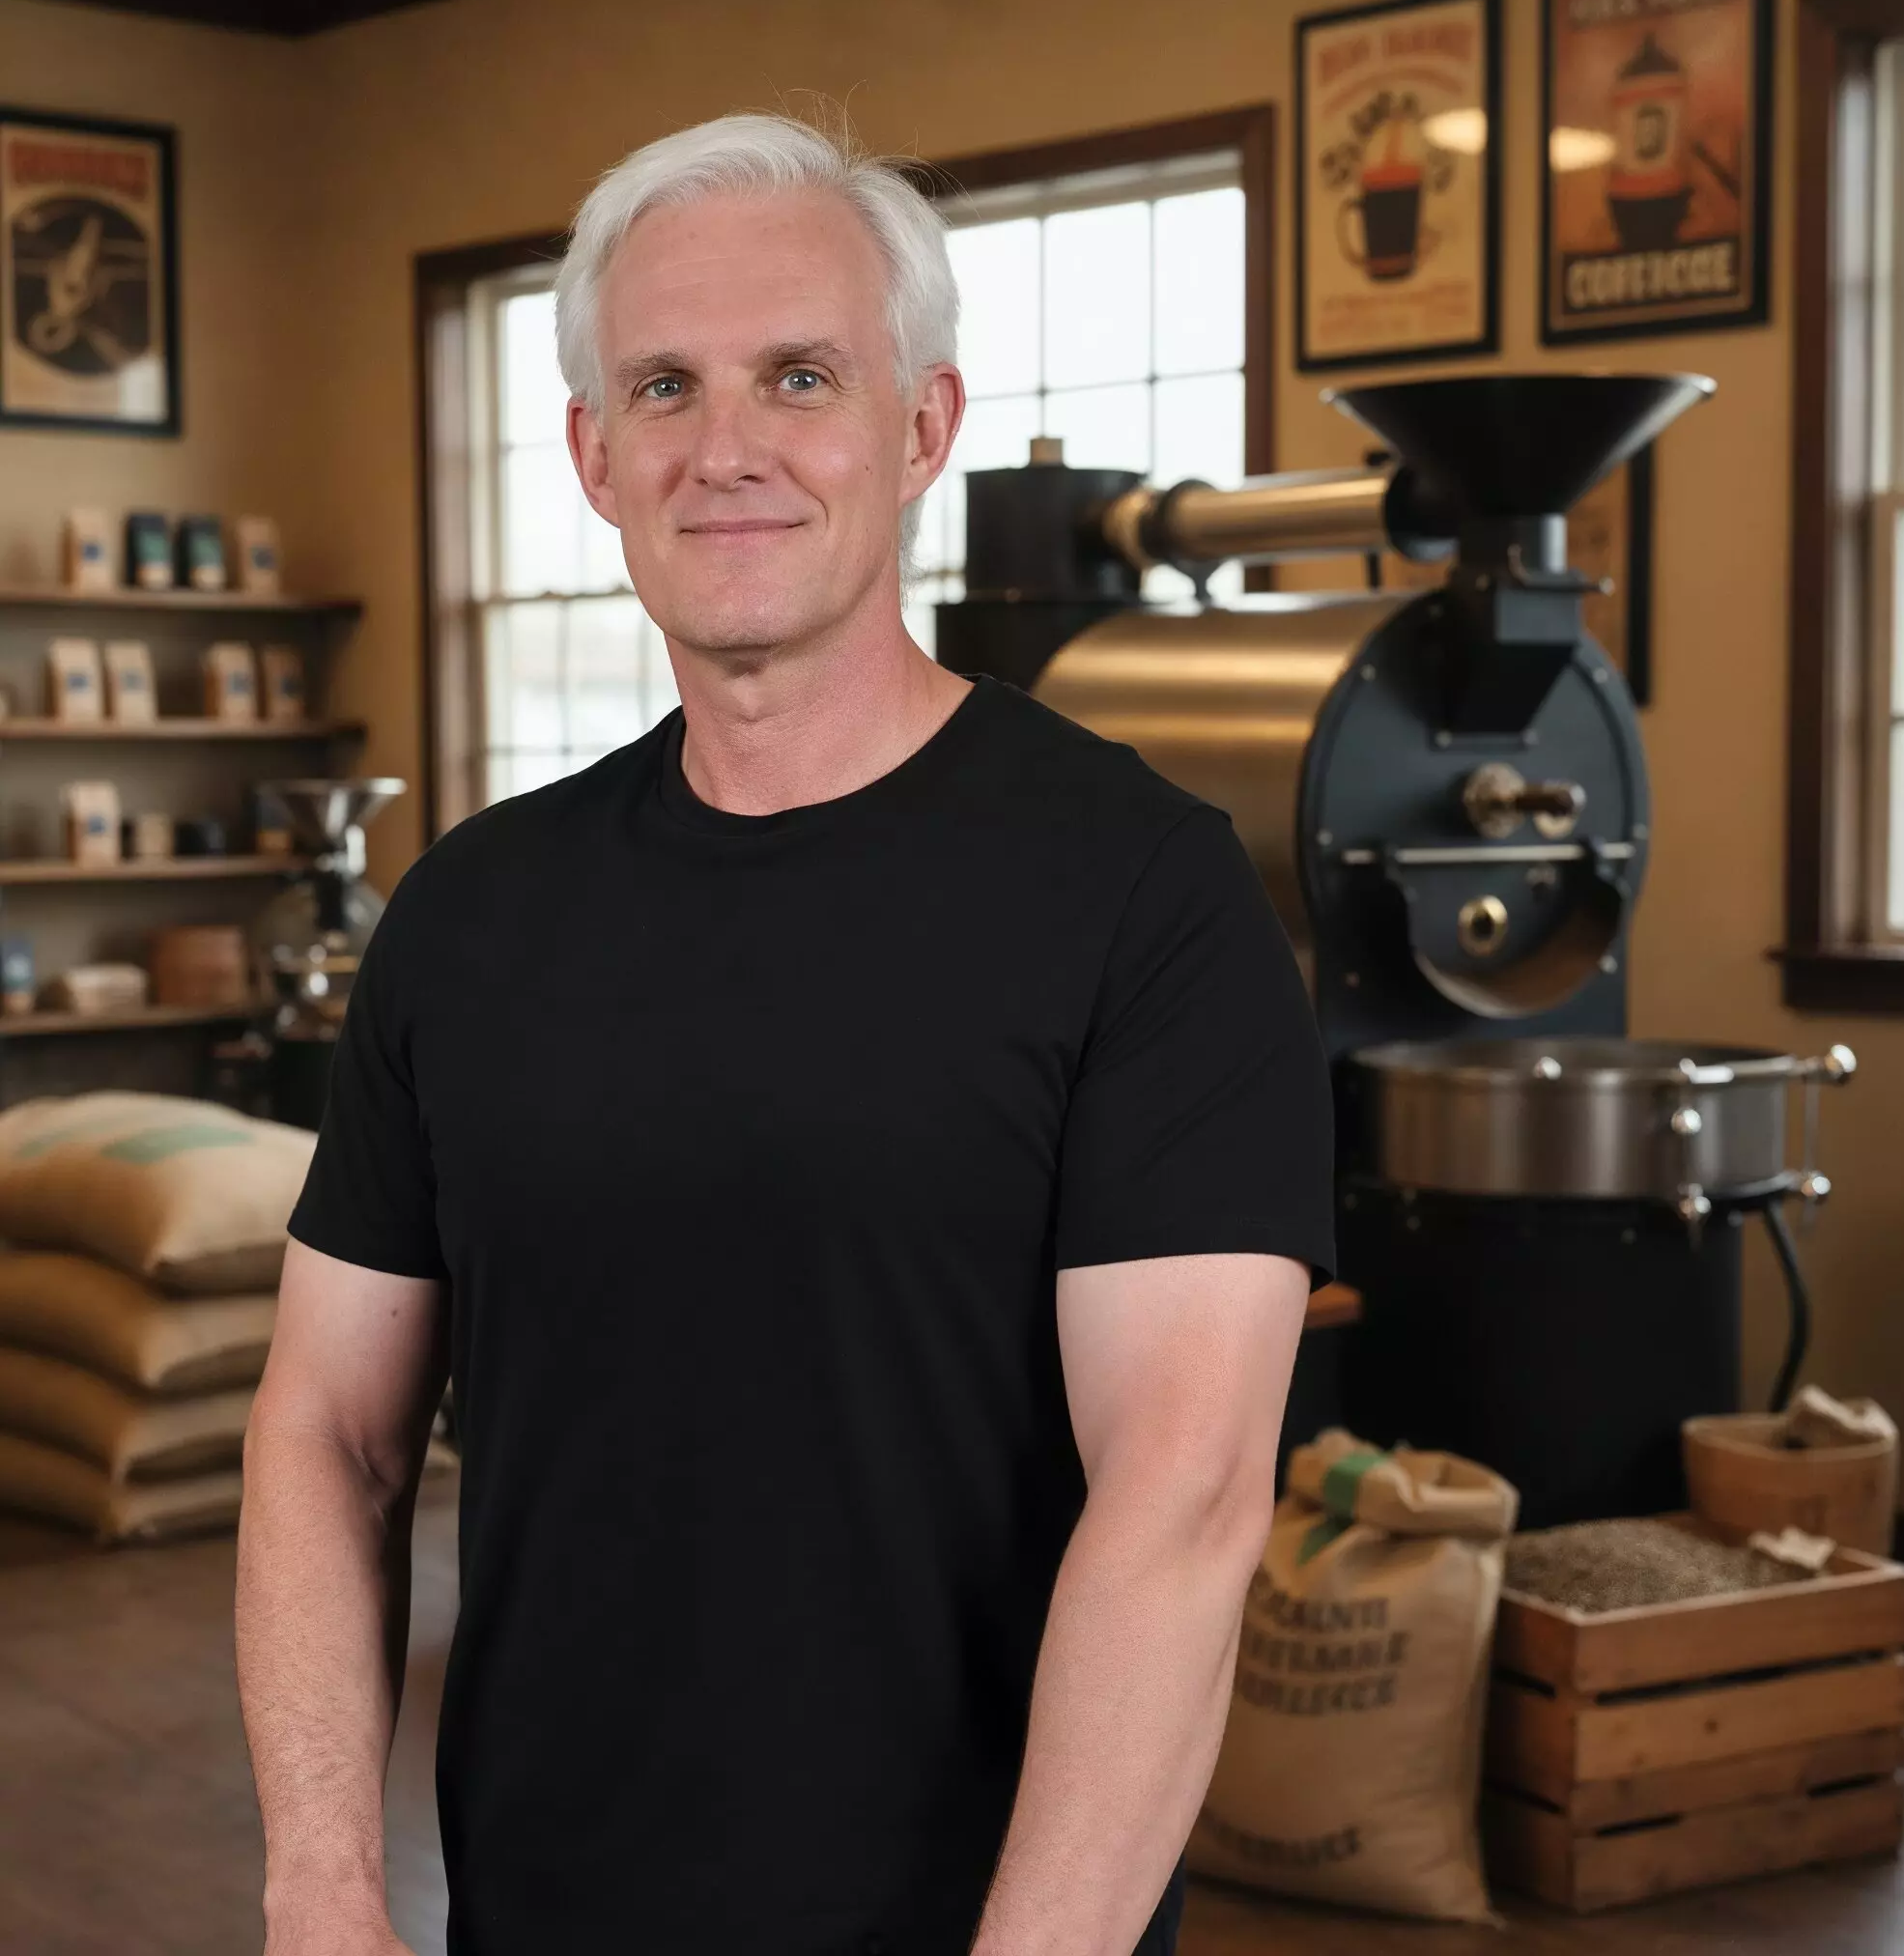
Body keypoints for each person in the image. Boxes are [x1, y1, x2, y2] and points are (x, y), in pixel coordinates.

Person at [236, 110, 1333, 1956]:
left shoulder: (1145, 896)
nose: (724, 449)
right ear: (591, 455)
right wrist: (323, 1886)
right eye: (662, 387)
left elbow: (1186, 1501)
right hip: (539, 1907)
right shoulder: (471, 915)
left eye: (798, 376)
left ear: (921, 429)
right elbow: (324, 1434)